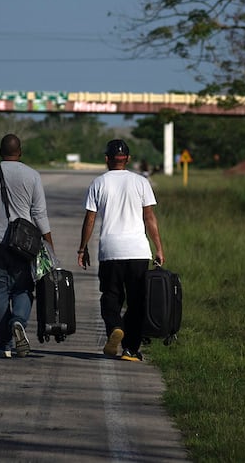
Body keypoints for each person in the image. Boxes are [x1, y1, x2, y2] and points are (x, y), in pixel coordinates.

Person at [77, 139, 164, 361]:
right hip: (137, 250)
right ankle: (130, 349)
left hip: (110, 250)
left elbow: (90, 219)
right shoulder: (141, 182)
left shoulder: (99, 183)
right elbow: (149, 218)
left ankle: (115, 327)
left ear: (107, 159)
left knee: (111, 296)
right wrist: (159, 248)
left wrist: (82, 247)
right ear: (128, 159)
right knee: (136, 301)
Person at [0, 134, 54, 359]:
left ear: (0, 151)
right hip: (24, 246)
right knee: (23, 289)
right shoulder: (32, 175)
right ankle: (18, 322)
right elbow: (39, 213)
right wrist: (48, 241)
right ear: (20, 151)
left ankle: (3, 344)